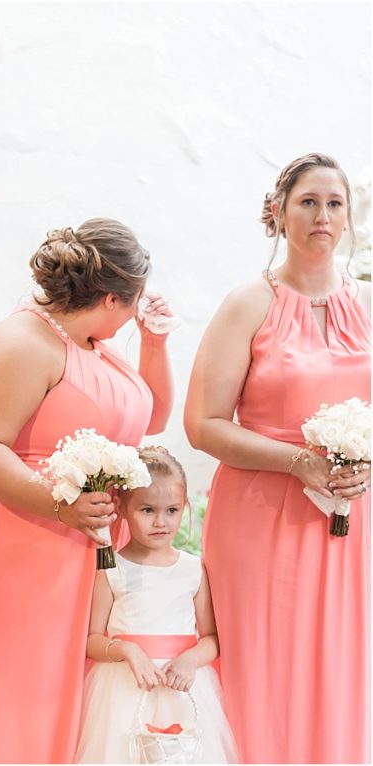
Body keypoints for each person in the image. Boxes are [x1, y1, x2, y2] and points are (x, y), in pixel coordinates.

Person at [0, 219, 175, 763]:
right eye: (136, 301)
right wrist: (62, 504)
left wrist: (154, 340)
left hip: (88, 535)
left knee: (83, 681)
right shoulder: (23, 343)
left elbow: (156, 418)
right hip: (29, 534)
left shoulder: (93, 343)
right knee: (31, 686)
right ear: (112, 297)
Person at [184, 153, 371, 763]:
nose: (323, 215)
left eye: (334, 203)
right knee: (262, 658)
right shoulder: (248, 304)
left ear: (349, 217)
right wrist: (298, 462)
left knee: (343, 660)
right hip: (262, 514)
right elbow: (202, 424)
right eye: (308, 202)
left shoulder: (368, 307)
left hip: (352, 519)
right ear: (279, 213)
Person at [75, 446, 238, 763]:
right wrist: (127, 651)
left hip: (183, 687)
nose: (161, 521)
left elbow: (212, 639)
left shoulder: (192, 569)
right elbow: (92, 640)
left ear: (184, 507)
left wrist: (190, 660)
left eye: (172, 511)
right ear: (122, 508)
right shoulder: (112, 568)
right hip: (125, 686)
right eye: (147, 510)